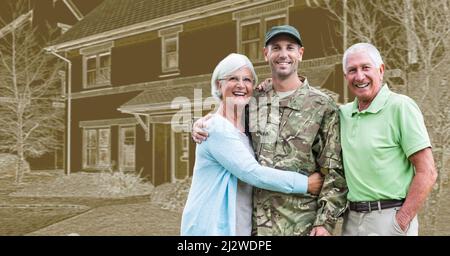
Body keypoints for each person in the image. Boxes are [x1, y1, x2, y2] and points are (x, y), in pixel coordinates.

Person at [192, 25, 348, 236]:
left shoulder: (322, 106)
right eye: (276, 47)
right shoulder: (253, 100)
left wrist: (325, 223)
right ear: (266, 54)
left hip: (300, 226)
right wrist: (201, 123)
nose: (283, 54)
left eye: (290, 47)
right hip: (254, 229)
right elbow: (227, 121)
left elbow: (334, 172)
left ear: (300, 53)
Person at [181, 53, 324, 236]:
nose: (241, 85)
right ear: (219, 84)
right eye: (233, 78)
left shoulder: (247, 126)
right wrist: (306, 183)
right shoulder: (216, 127)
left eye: (247, 80)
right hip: (211, 227)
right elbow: (253, 173)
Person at [339, 43, 437, 236]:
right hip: (351, 221)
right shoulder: (342, 114)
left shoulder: (400, 107)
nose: (359, 76)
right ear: (345, 77)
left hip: (388, 220)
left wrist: (400, 222)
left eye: (366, 68)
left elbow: (428, 171)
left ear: (381, 70)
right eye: (352, 70)